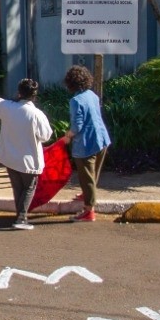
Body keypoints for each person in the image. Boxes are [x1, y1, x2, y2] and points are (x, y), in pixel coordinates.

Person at [0, 79, 52, 230]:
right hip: (29, 159)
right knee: (28, 188)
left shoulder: (8, 107)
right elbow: (45, 136)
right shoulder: (37, 114)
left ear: (19, 92)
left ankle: (20, 215)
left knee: (17, 187)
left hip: (10, 157)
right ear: (34, 95)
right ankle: (21, 218)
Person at [62, 65, 112, 222]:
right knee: (93, 174)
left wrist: (68, 136)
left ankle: (89, 210)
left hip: (85, 144)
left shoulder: (75, 101)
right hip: (102, 139)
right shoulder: (92, 95)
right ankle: (87, 194)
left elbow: (77, 125)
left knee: (86, 177)